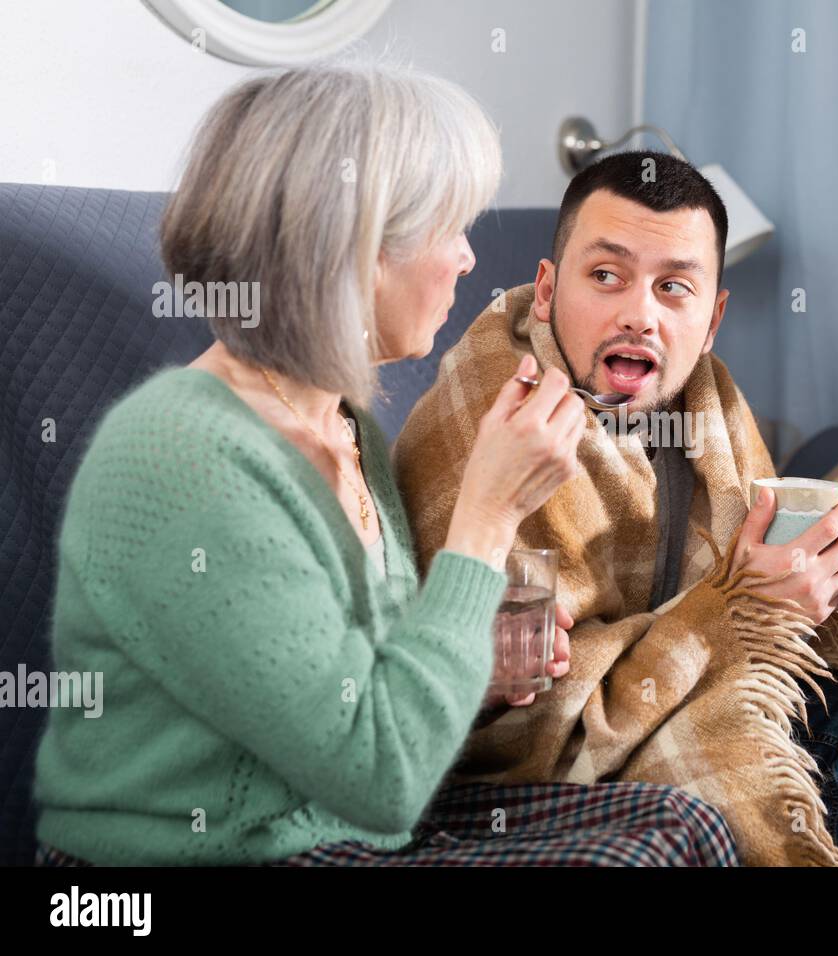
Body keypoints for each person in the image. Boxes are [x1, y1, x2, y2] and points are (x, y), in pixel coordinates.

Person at [33, 64, 736, 867]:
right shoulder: (186, 455)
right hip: (207, 858)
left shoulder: (347, 427)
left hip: (357, 832)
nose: (470, 261)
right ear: (354, 248)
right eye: (450, 230)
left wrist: (480, 676)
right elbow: (379, 776)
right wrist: (485, 517)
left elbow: (354, 693)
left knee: (685, 822)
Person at [395, 149, 838, 866]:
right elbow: (516, 729)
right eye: (605, 277)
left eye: (674, 288)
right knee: (711, 803)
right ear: (548, 287)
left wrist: (805, 596)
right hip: (535, 760)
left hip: (684, 688)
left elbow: (758, 629)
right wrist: (745, 605)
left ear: (712, 320)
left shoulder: (712, 410)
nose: (639, 315)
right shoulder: (487, 421)